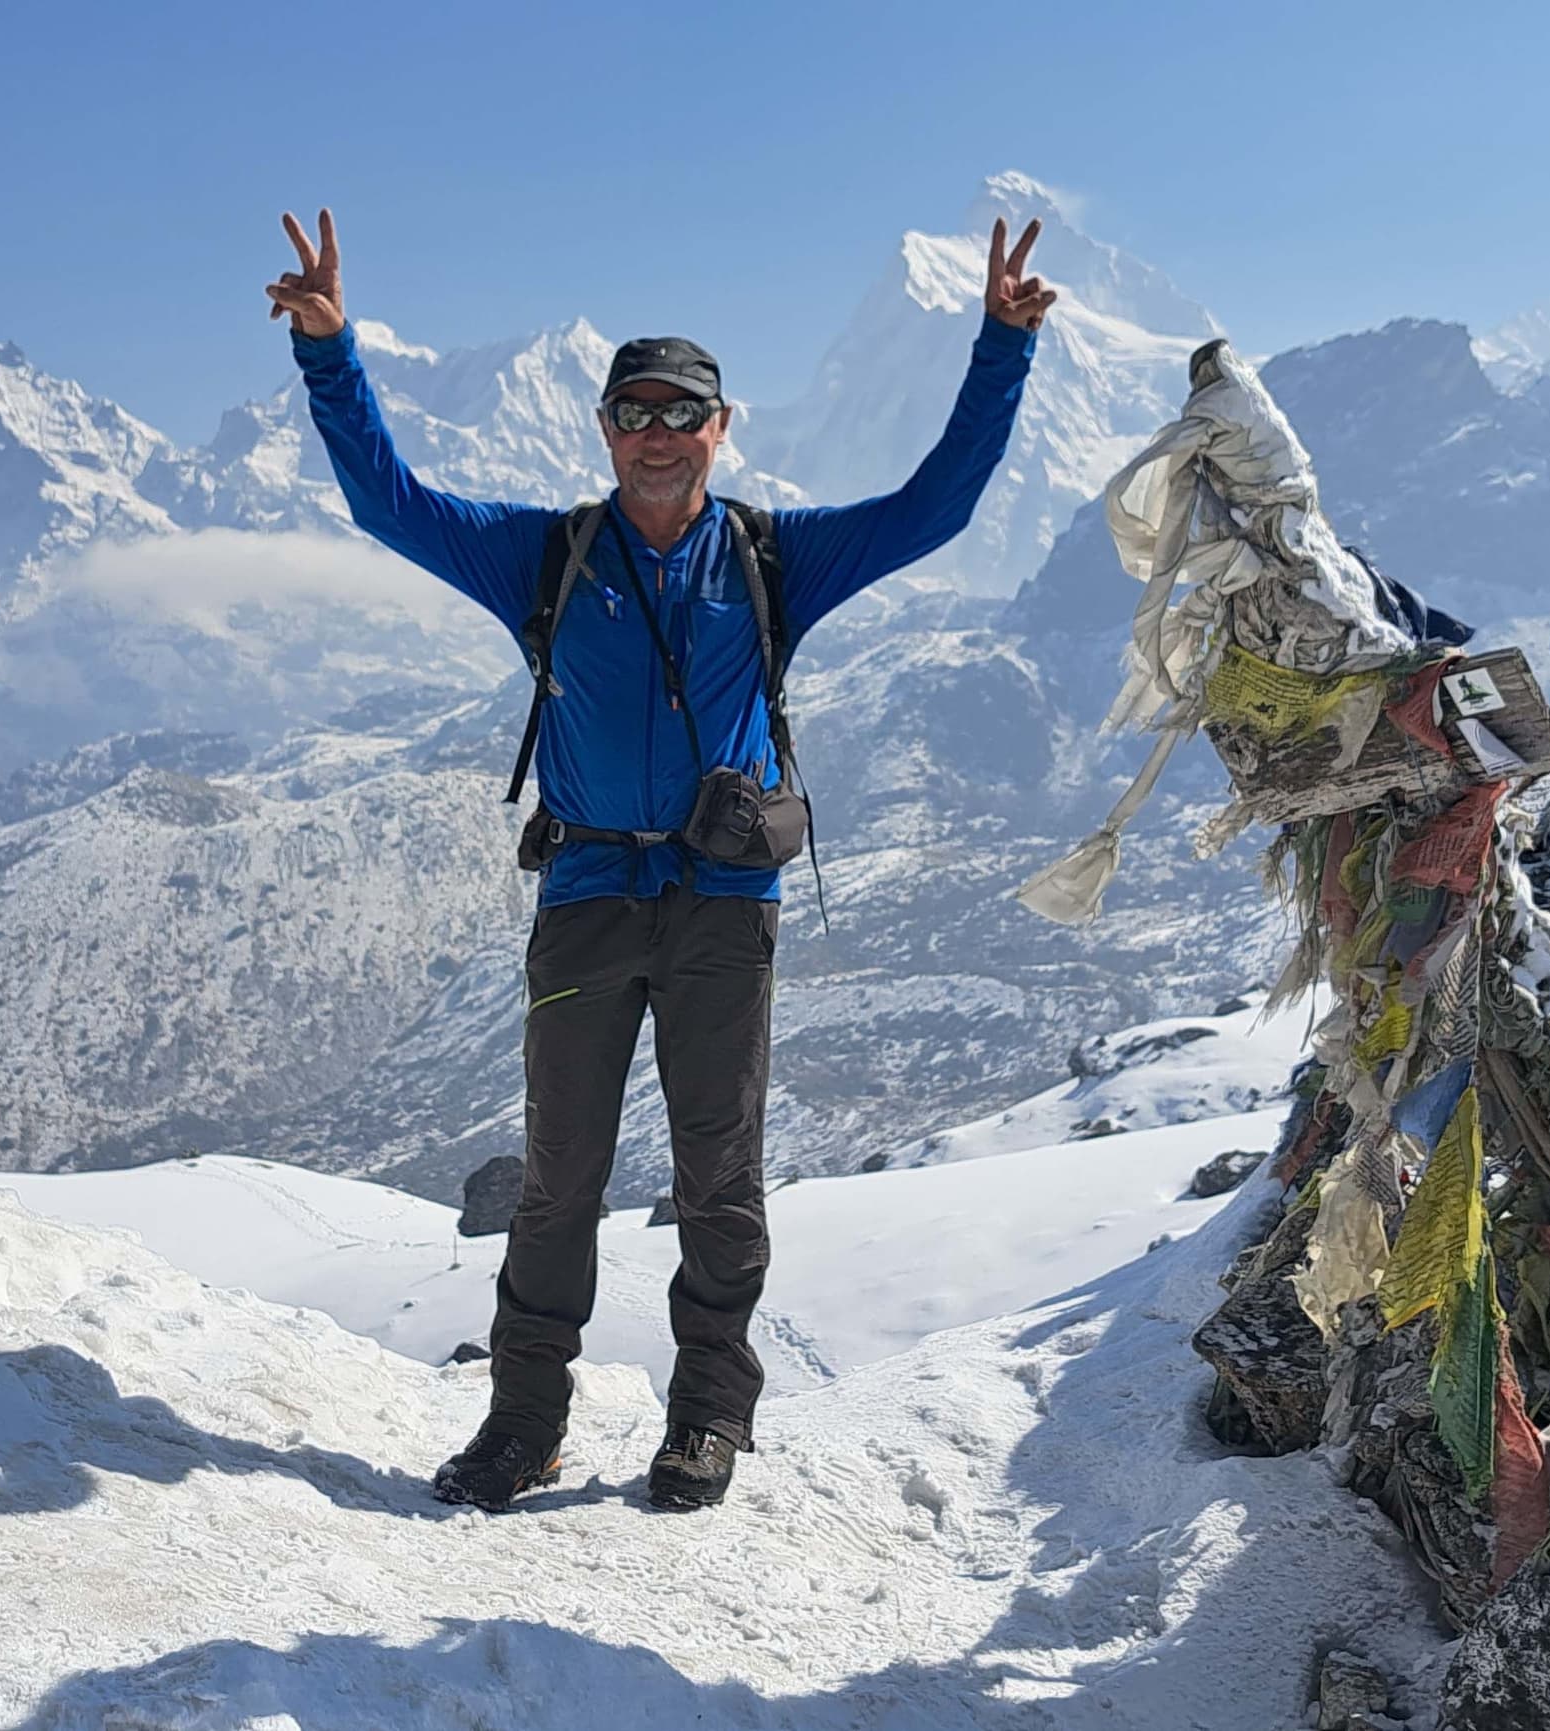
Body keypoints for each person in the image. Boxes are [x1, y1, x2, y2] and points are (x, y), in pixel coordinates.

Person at [264, 207, 1054, 1512]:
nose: (658, 431)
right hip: (584, 897)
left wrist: (1002, 346)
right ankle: (525, 1430)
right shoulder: (548, 555)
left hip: (721, 905)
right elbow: (384, 501)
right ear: (606, 428)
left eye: (681, 411)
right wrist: (330, 352)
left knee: (718, 1178)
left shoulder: (773, 559)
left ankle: (707, 1421)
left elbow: (940, 505)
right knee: (558, 1180)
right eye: (635, 410)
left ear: (719, 428)